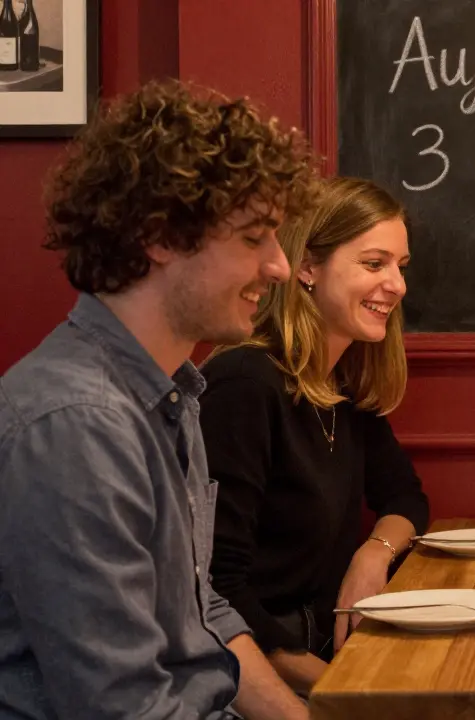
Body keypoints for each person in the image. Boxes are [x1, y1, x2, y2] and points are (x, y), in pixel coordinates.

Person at [0, 79, 316, 719]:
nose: (281, 267)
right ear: (160, 235)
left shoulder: (171, 392)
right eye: (255, 237)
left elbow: (206, 615)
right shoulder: (78, 425)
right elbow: (122, 708)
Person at [200, 176, 430, 695]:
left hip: (329, 649)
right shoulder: (244, 384)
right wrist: (342, 693)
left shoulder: (340, 386)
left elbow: (405, 498)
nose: (398, 285)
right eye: (375, 264)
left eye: (400, 266)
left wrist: (375, 552)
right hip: (253, 679)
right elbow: (218, 589)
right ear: (306, 266)